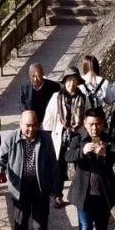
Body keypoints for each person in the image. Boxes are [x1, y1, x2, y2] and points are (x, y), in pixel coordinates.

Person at [0, 110, 59, 230]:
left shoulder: (45, 138)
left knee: (40, 225)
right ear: (20, 124)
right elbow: (0, 158)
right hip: (20, 188)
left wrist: (57, 190)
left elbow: (53, 165)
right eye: (27, 125)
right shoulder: (12, 138)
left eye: (34, 125)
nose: (31, 129)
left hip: (40, 188)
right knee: (20, 223)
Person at [64, 107, 115, 230]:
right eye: (91, 124)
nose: (94, 128)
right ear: (85, 124)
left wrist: (105, 154)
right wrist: (82, 151)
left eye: (98, 124)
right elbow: (67, 156)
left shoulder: (109, 140)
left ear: (102, 124)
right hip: (84, 196)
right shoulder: (78, 139)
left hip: (103, 195)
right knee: (86, 229)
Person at [42, 66, 87, 206]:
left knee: (80, 164)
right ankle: (57, 195)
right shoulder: (56, 97)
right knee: (59, 166)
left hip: (77, 134)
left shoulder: (83, 98)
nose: (71, 83)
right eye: (69, 80)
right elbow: (49, 118)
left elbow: (88, 116)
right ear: (65, 81)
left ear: (78, 82)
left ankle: (81, 194)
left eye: (74, 80)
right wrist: (47, 136)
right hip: (60, 135)